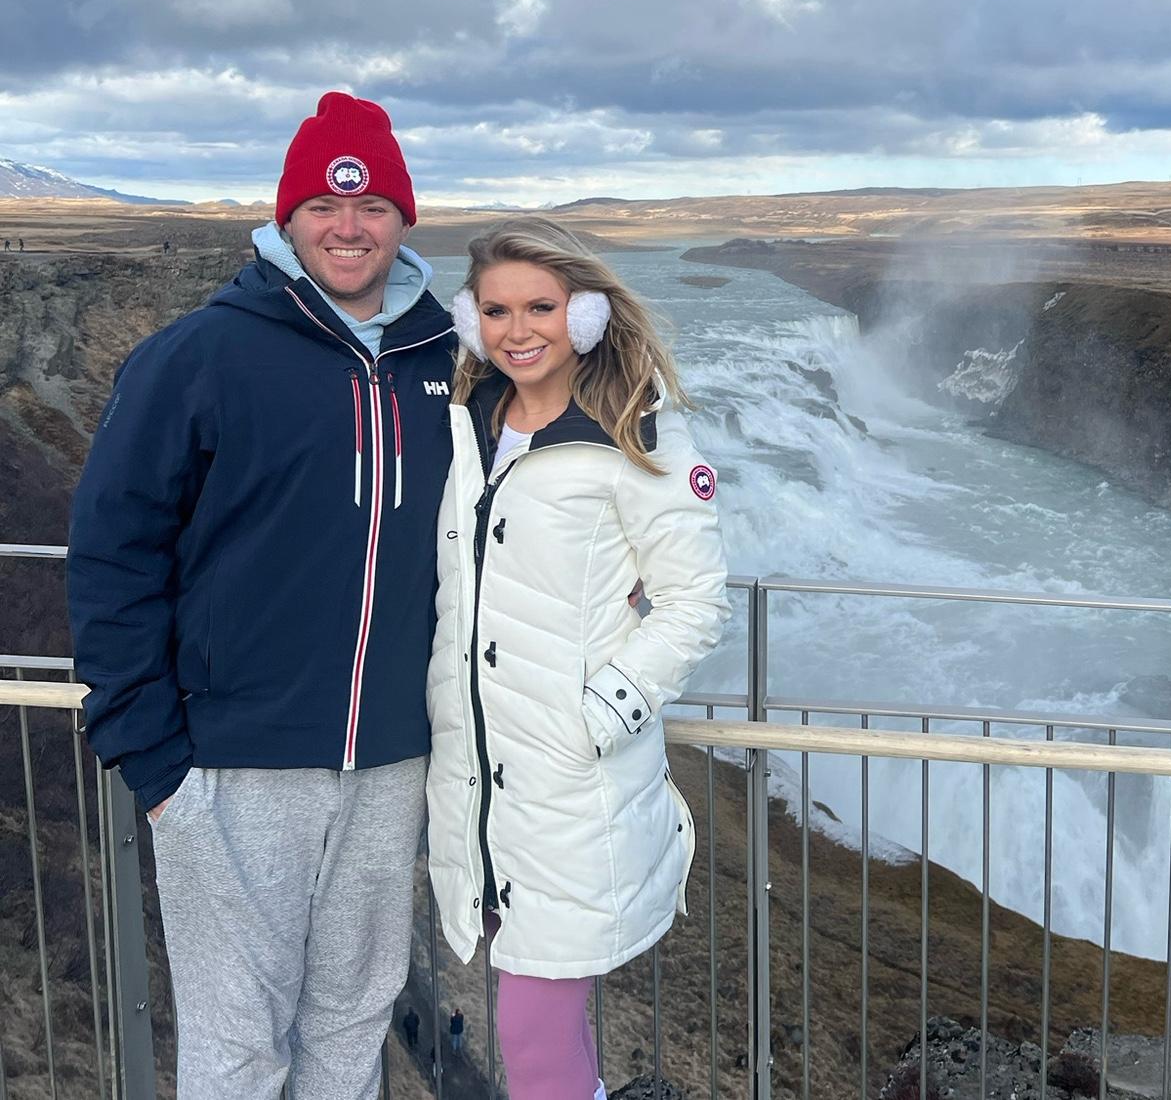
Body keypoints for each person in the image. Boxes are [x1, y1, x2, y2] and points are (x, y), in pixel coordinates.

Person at [67, 91, 456, 1100]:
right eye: (326, 205)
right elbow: (113, 556)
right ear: (287, 218)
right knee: (238, 1050)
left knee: (348, 1032)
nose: (349, 225)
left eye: (372, 204)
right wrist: (153, 759)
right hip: (229, 768)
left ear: (402, 220)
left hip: (390, 764)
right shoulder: (201, 355)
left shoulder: (444, 359)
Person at [425, 220, 729, 1100]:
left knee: (530, 1023)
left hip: (570, 782)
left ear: (586, 314)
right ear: (469, 318)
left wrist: (600, 714)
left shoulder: (635, 436)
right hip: (481, 780)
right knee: (540, 1023)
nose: (518, 330)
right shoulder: (466, 423)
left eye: (541, 307)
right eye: (495, 310)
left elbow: (695, 600)